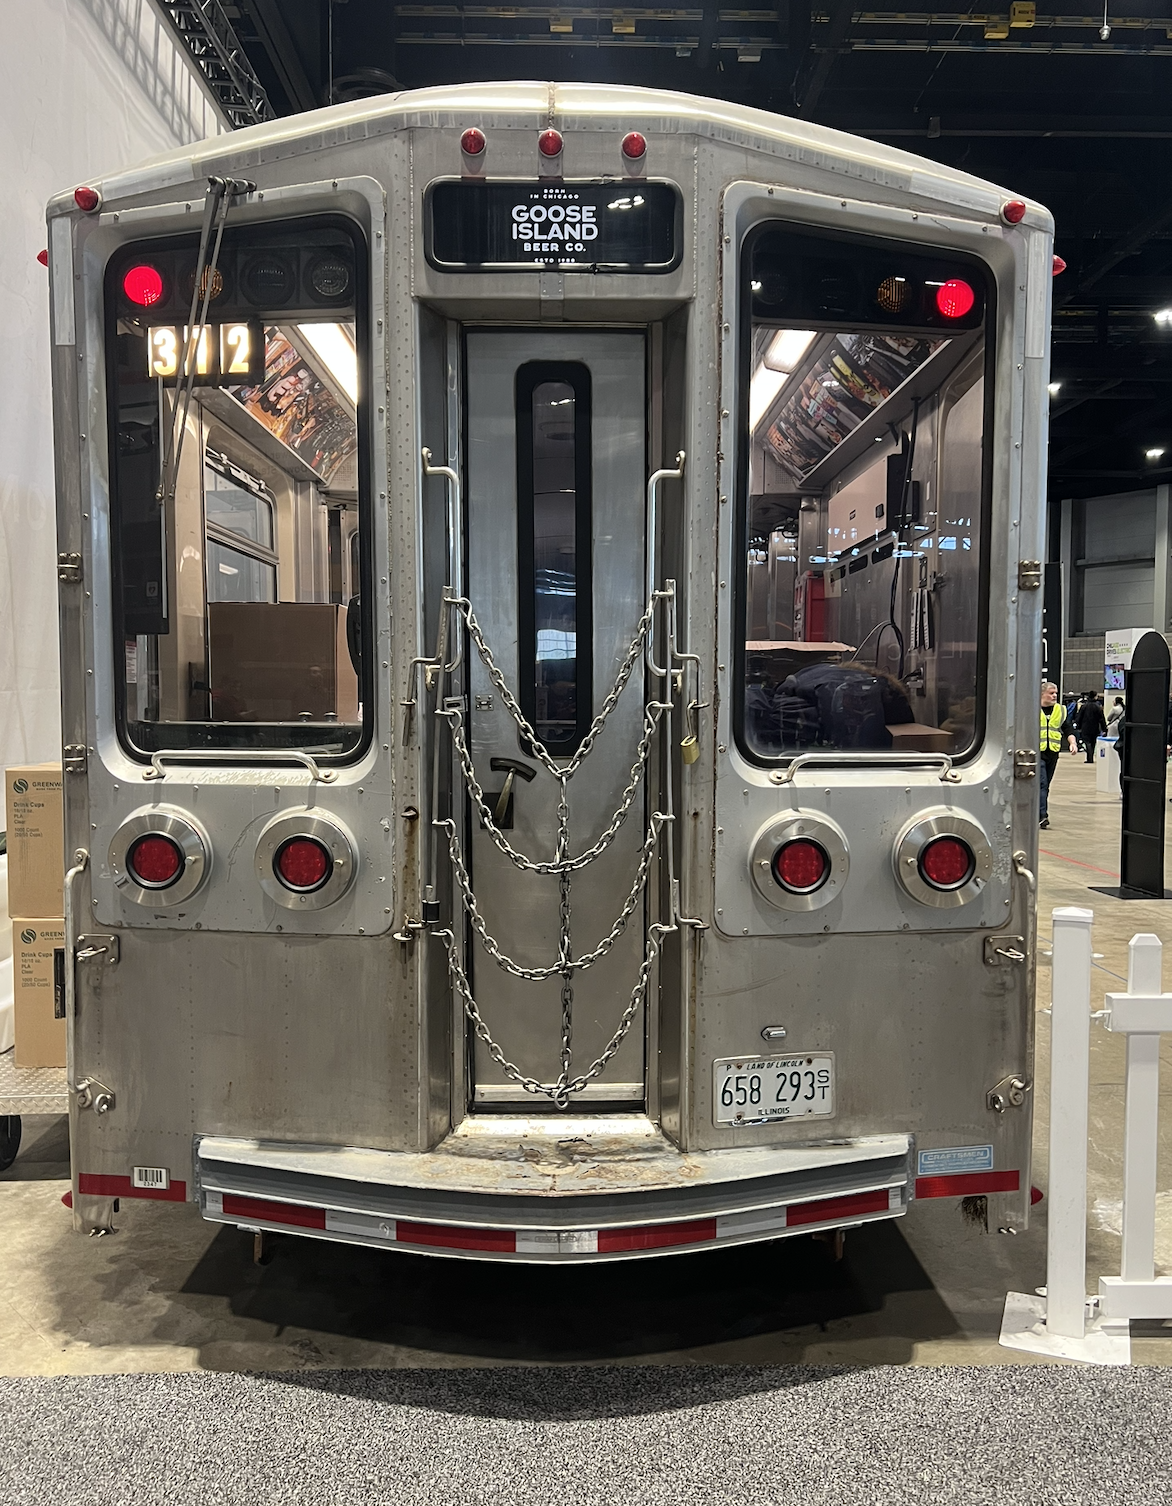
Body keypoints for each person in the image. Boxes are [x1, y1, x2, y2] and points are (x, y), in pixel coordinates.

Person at [1039, 681, 1077, 829]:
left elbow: (1067, 729)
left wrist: (1072, 743)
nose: (1055, 695)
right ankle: (1042, 816)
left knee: (1046, 785)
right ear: (1042, 694)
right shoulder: (1032, 709)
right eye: (1051, 693)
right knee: (1042, 784)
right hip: (1037, 752)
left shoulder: (1060, 710)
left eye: (1056, 693)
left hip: (1053, 753)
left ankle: (1038, 812)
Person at [1075, 692, 1107, 764]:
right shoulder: (1098, 707)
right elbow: (1101, 719)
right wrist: (1104, 728)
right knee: (1093, 742)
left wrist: (1078, 726)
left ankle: (1089, 758)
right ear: (1095, 697)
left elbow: (1079, 717)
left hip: (1085, 727)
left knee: (1087, 742)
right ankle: (1091, 757)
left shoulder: (1084, 706)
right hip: (1095, 727)